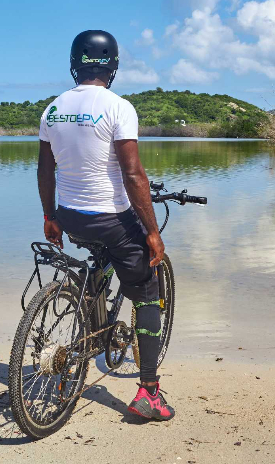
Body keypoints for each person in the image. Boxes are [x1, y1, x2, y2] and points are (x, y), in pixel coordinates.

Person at [36, 29, 174, 421]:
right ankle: (149, 392)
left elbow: (46, 172)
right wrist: (151, 232)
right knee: (147, 291)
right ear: (112, 66)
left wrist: (50, 216)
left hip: (70, 215)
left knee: (101, 254)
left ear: (74, 65)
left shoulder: (53, 110)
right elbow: (132, 175)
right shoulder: (118, 107)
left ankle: (90, 312)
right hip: (111, 219)